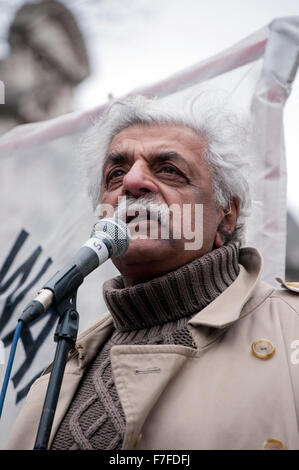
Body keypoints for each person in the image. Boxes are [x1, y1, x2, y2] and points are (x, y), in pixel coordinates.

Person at [5, 94, 299, 450]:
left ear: (227, 215)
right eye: (116, 173)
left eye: (168, 170)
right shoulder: (60, 369)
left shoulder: (291, 327)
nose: (132, 182)